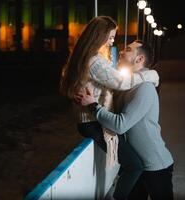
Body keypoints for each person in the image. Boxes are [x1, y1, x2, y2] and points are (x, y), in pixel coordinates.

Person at [59, 16, 159, 200]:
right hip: (94, 122)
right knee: (134, 165)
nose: (112, 41)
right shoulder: (94, 60)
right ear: (100, 35)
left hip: (90, 120)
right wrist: (150, 75)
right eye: (111, 37)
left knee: (129, 161)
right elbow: (121, 81)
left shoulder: (85, 56)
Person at [76, 40, 174, 200]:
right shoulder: (126, 86)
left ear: (139, 59)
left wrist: (94, 107)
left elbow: (120, 125)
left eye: (128, 50)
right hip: (138, 165)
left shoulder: (145, 88)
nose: (121, 51)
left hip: (156, 166)